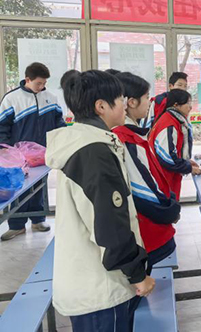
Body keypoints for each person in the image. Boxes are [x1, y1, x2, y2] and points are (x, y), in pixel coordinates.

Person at [46, 70, 155, 331]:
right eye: (120, 99)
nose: (125, 104)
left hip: (90, 282)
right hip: (100, 290)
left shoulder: (85, 142)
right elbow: (109, 224)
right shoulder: (94, 153)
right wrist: (137, 274)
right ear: (101, 106)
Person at [112, 72, 181, 270]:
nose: (149, 103)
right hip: (144, 227)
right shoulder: (125, 138)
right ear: (131, 102)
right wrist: (170, 210)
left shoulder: (132, 133)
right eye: (146, 98)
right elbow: (142, 190)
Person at [0, 62, 66, 241]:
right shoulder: (12, 99)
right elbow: (2, 127)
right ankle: (16, 226)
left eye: (44, 83)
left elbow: (59, 123)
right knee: (19, 189)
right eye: (38, 83)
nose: (42, 87)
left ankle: (38, 220)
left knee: (40, 187)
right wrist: (5, 150)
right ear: (27, 79)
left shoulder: (51, 98)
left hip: (42, 154)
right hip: (18, 157)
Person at [149, 89, 201, 199]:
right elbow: (168, 158)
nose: (190, 107)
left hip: (167, 176)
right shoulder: (169, 124)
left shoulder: (172, 119)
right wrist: (188, 168)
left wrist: (186, 161)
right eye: (187, 103)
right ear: (176, 105)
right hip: (164, 178)